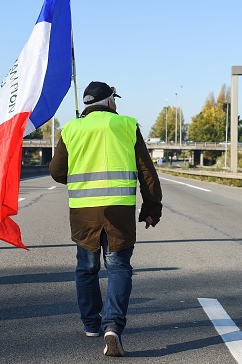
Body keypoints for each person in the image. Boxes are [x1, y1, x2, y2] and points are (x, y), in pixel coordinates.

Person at [49, 81, 162, 357]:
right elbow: (146, 171)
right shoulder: (126, 125)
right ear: (110, 101)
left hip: (84, 213)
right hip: (119, 213)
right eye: (115, 100)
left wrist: (79, 176)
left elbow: (56, 171)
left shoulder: (72, 129)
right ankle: (113, 325)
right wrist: (151, 207)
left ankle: (91, 324)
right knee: (119, 267)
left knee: (86, 268)